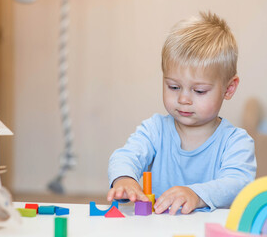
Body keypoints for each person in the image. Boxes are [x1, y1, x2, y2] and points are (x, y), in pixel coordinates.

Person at [107, 11, 257, 215]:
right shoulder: (155, 129)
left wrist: (196, 194)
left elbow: (237, 184)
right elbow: (125, 156)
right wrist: (125, 179)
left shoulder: (236, 142)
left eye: (199, 91)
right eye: (174, 87)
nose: (183, 99)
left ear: (229, 89)